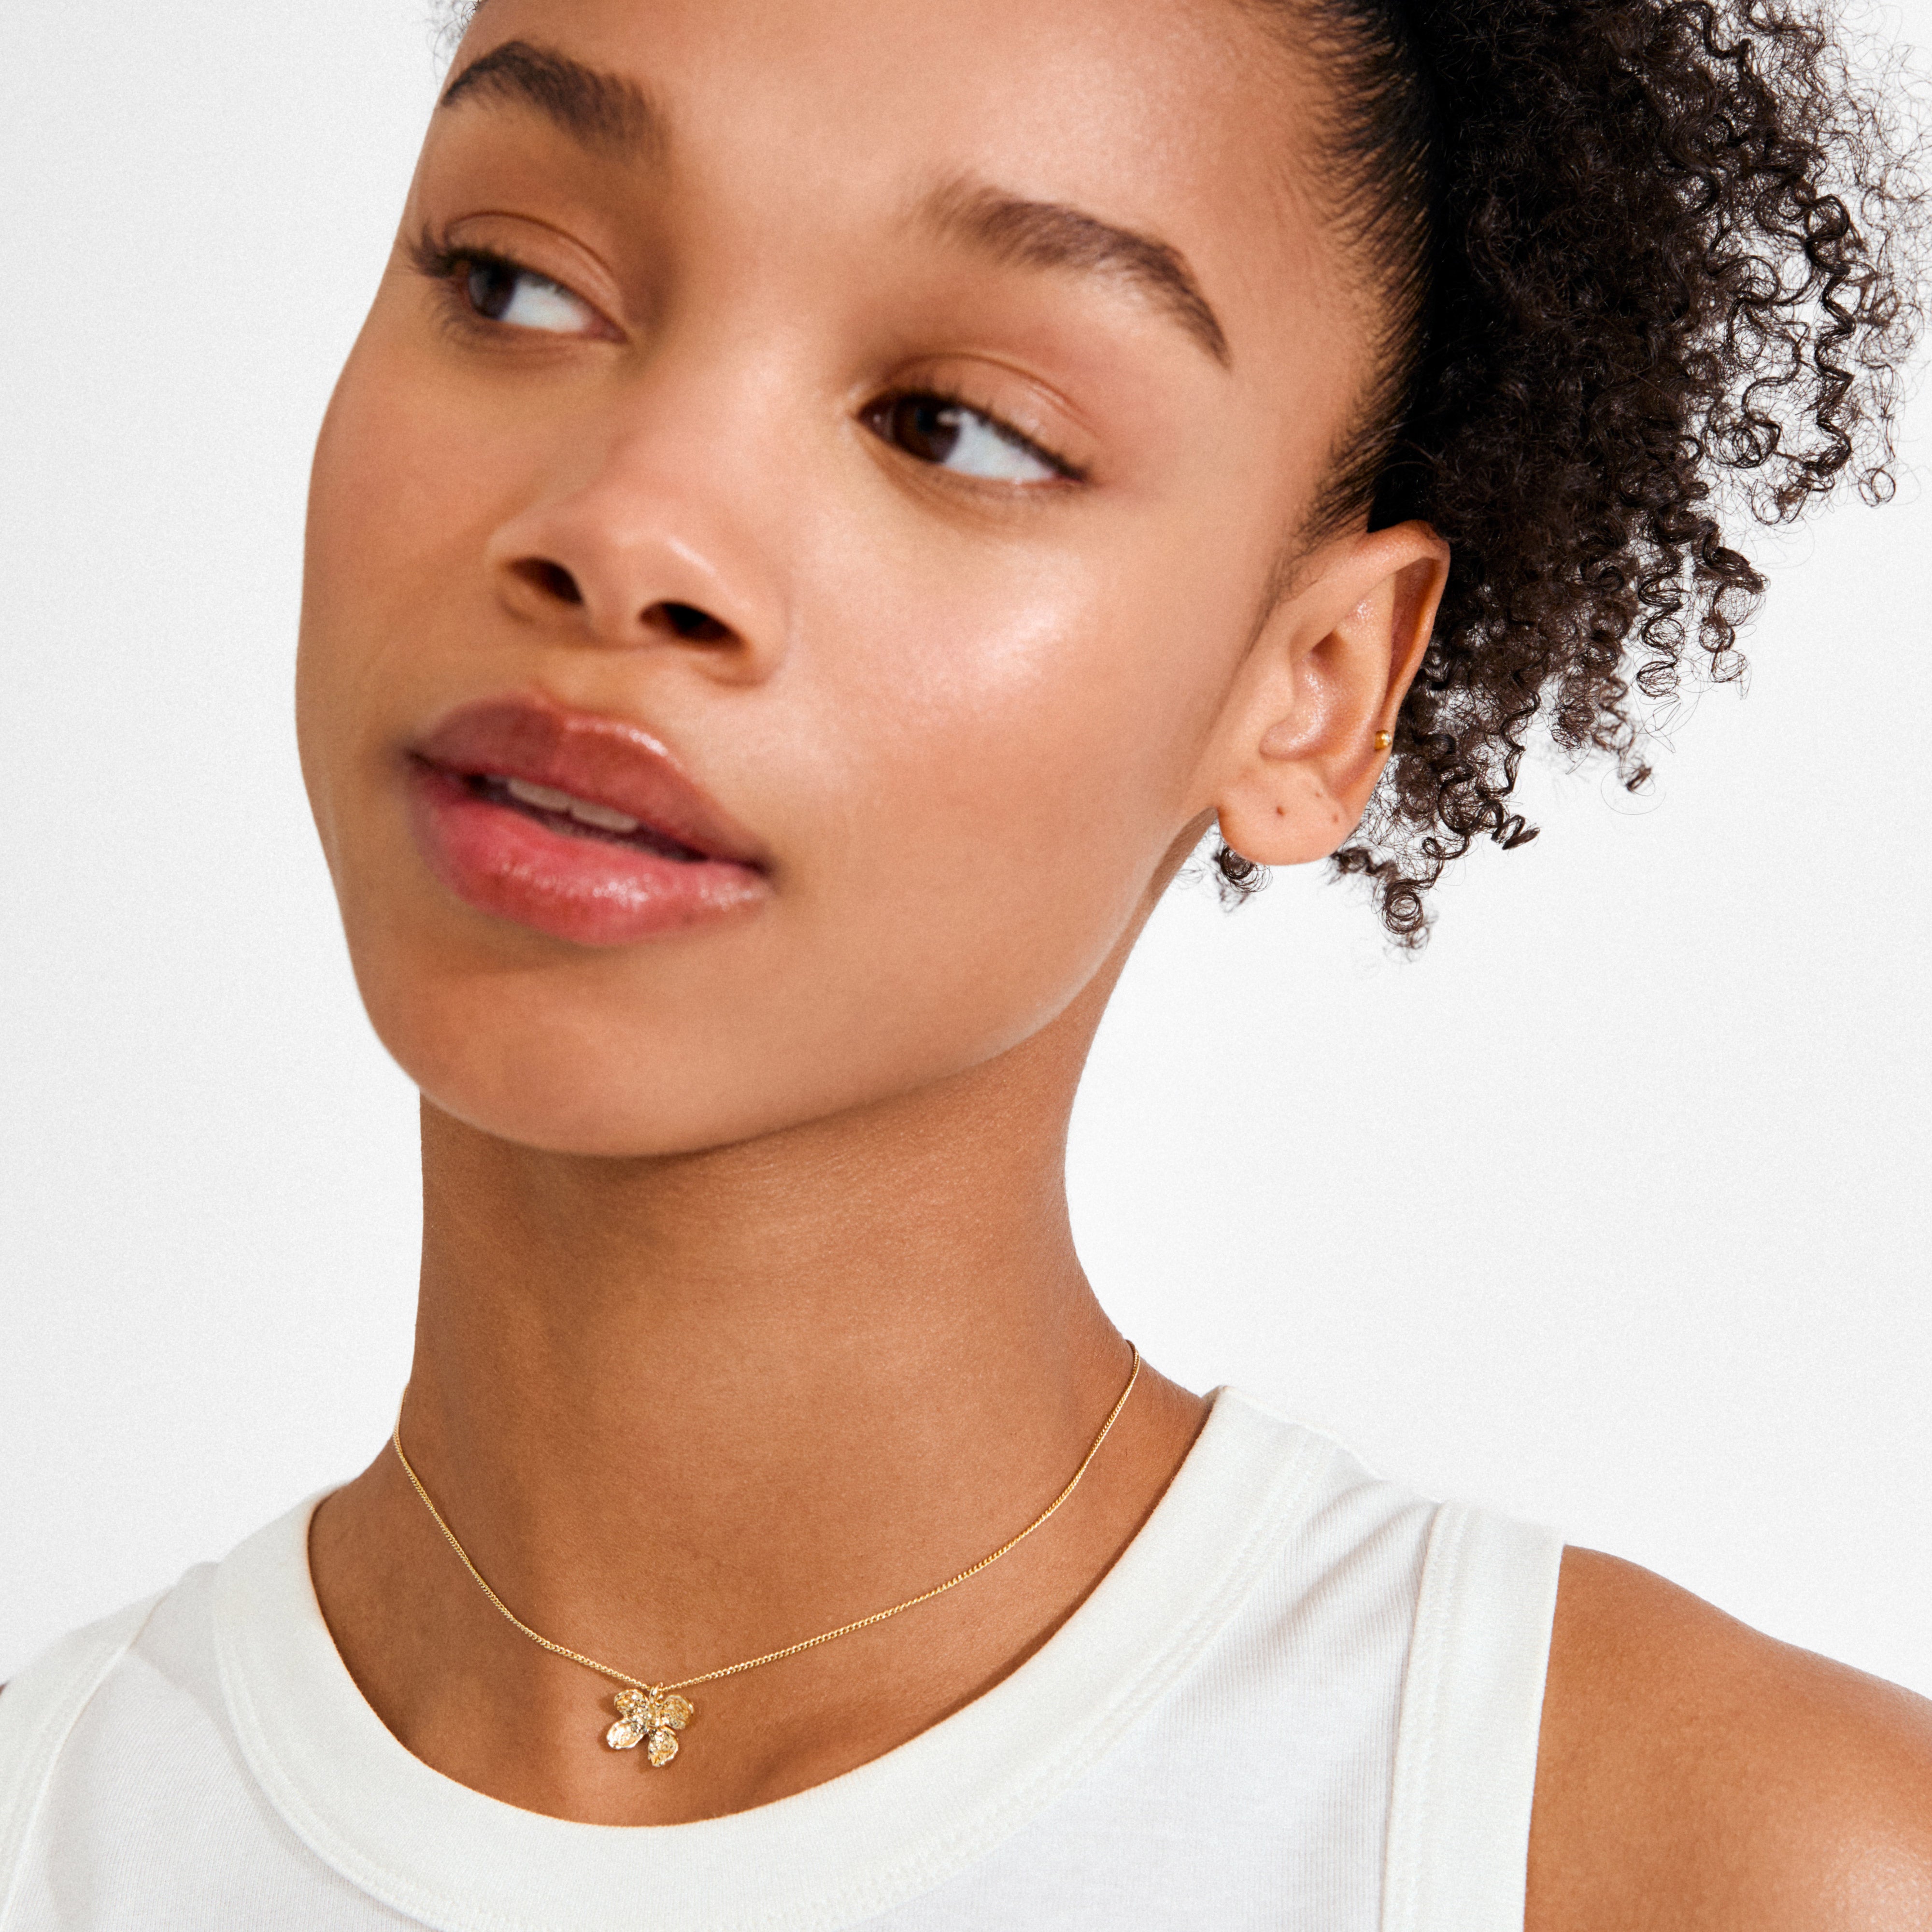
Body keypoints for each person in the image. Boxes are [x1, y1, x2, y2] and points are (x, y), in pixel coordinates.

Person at [3, 0, 1929, 1925]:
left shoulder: (1728, 1866)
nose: (627, 528)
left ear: (1310, 690)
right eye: (513, 285)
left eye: (959, 427)